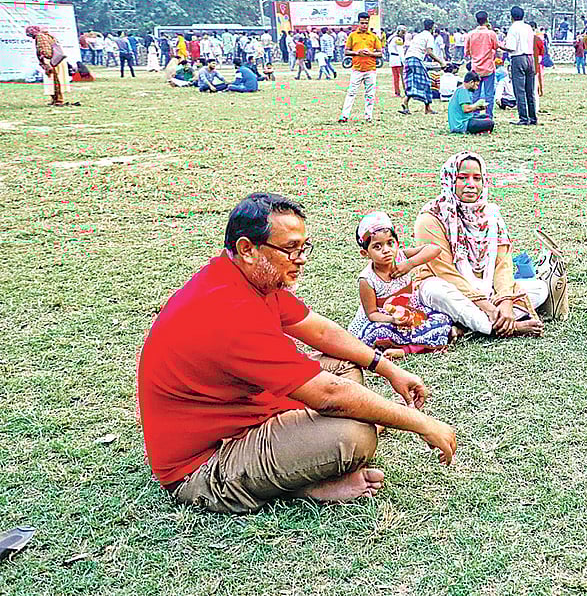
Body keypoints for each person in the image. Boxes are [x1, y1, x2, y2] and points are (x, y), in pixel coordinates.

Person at [137, 193, 457, 514]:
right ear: (247, 249)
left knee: (346, 364)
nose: (301, 259)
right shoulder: (229, 310)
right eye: (290, 248)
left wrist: (387, 367)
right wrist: (421, 423)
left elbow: (321, 332)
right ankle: (304, 485)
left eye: (304, 247)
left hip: (244, 413)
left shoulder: (248, 278)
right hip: (204, 466)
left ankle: (302, 462)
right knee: (355, 434)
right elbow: (329, 395)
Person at [412, 152, 547, 337]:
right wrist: (489, 308)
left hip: (487, 289)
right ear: (450, 179)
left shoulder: (491, 214)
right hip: (452, 289)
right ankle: (508, 327)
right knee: (435, 290)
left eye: (477, 178)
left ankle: (468, 326)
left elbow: (503, 264)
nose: (471, 184)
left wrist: (505, 301)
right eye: (462, 178)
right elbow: (444, 272)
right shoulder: (430, 218)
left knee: (540, 288)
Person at [348, 211, 456, 352]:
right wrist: (393, 320)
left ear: (397, 243)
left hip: (410, 311)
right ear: (365, 253)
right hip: (385, 319)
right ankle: (410, 347)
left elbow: (434, 249)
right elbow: (372, 314)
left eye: (390, 243)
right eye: (377, 247)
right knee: (378, 333)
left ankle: (406, 348)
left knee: (441, 318)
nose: (386, 250)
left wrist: (410, 264)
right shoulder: (367, 280)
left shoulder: (402, 257)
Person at [337, 12, 383, 124]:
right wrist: (356, 52)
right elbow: (346, 52)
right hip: (357, 69)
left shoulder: (373, 36)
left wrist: (370, 53)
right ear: (358, 23)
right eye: (362, 23)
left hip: (370, 69)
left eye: (366, 23)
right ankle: (344, 115)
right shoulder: (352, 36)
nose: (364, 25)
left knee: (370, 94)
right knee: (351, 92)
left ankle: (368, 116)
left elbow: (380, 53)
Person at [401, 18, 446, 116]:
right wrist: (441, 62)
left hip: (408, 59)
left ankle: (405, 102)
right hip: (416, 59)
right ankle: (427, 108)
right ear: (432, 27)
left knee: (412, 83)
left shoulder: (418, 35)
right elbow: (429, 52)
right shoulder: (429, 36)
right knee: (426, 82)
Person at [503, 6, 538, 126]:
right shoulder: (528, 27)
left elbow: (511, 47)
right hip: (530, 58)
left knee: (520, 90)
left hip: (518, 58)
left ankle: (523, 118)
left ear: (511, 17)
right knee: (530, 90)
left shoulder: (513, 28)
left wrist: (501, 46)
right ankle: (533, 117)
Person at [464, 11, 501, 120]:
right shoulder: (491, 34)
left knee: (475, 94)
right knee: (489, 95)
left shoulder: (470, 34)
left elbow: (467, 52)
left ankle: (475, 115)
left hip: (475, 69)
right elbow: (496, 47)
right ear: (487, 20)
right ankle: (489, 117)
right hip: (488, 68)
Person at [27, 26, 70, 106]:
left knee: (54, 80)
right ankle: (55, 99)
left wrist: (46, 63)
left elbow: (45, 51)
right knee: (55, 80)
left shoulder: (40, 37)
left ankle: (58, 100)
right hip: (56, 60)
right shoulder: (48, 36)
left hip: (51, 61)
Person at [387, 26, 407, 97]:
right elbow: (400, 51)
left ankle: (397, 92)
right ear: (399, 31)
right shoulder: (398, 39)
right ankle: (406, 91)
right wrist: (404, 61)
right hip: (398, 59)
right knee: (403, 77)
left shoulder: (391, 37)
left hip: (392, 59)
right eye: (403, 32)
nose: (403, 34)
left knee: (395, 77)